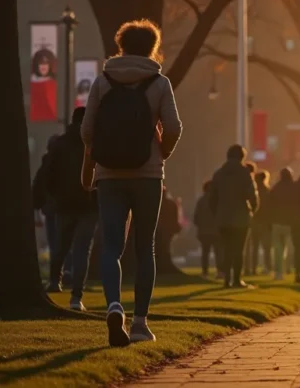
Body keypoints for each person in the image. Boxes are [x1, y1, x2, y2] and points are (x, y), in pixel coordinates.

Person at [81, 19, 182, 347]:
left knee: (111, 246)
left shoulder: (103, 81)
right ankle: (140, 322)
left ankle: (114, 306)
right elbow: (174, 126)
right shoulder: (159, 83)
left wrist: (89, 166)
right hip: (148, 174)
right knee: (145, 247)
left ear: (121, 44)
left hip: (109, 175)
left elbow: (87, 130)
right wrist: (162, 152)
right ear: (152, 46)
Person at [46, 107, 99, 311]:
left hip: (65, 204)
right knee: (81, 250)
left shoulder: (60, 144)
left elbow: (49, 174)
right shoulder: (93, 142)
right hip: (88, 204)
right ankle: (77, 296)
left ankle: (54, 280)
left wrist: (56, 195)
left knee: (61, 246)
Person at [209, 145, 259, 289]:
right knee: (238, 249)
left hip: (223, 217)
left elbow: (212, 198)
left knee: (226, 248)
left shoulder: (218, 174)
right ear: (242, 157)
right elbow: (252, 196)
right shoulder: (244, 173)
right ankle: (237, 279)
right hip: (241, 217)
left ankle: (227, 279)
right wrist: (252, 211)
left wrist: (216, 213)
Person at [33, 134, 64, 292]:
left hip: (51, 209)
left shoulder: (46, 163)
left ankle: (55, 278)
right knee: (68, 243)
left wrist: (37, 208)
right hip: (65, 208)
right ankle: (67, 273)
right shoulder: (65, 162)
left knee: (54, 244)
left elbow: (38, 186)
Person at [268, 168, 296, 281]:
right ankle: (288, 267)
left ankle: (278, 272)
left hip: (277, 222)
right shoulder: (295, 188)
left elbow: (270, 205)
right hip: (290, 222)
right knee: (290, 248)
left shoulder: (275, 188)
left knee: (277, 249)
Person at [247, 169, 273, 276]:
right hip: (265, 222)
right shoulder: (268, 191)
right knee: (266, 247)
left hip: (254, 221)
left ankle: (253, 268)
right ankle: (268, 267)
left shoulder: (254, 190)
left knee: (255, 247)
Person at [193, 181, 219, 278]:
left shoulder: (201, 201)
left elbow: (196, 217)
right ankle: (220, 271)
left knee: (205, 252)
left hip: (204, 231)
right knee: (218, 252)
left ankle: (205, 272)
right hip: (216, 231)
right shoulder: (217, 201)